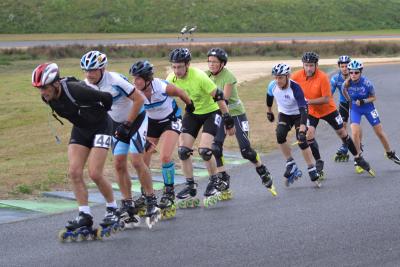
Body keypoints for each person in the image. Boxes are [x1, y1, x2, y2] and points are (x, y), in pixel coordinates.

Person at [32, 62, 120, 239]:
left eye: (45, 88)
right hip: (81, 130)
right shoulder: (47, 98)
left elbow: (107, 98)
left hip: (102, 127)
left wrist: (106, 117)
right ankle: (84, 215)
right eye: (39, 89)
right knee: (74, 172)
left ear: (56, 83)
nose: (43, 93)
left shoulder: (76, 90)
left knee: (95, 173)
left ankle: (113, 209)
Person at [80, 51, 160, 229]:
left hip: (136, 119)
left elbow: (139, 99)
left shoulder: (115, 81)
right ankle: (128, 204)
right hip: (116, 124)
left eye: (92, 70)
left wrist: (128, 124)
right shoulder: (87, 85)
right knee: (118, 164)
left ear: (102, 69)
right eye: (86, 70)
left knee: (137, 161)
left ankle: (151, 199)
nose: (89, 74)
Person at [166, 47, 235, 208]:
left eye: (180, 67)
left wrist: (227, 118)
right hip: (193, 113)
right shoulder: (171, 78)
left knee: (204, 150)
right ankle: (190, 185)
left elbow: (218, 96)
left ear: (187, 64)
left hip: (212, 112)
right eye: (174, 67)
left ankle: (215, 180)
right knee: (183, 151)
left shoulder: (199, 76)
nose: (176, 70)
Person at [205, 47, 276, 196]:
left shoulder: (228, 77)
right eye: (209, 62)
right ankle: (224, 178)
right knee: (215, 147)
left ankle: (262, 170)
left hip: (236, 114)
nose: (211, 65)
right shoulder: (206, 76)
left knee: (246, 151)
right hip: (219, 114)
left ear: (222, 64)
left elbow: (223, 98)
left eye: (215, 62)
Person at [291, 51, 374, 177]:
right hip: (312, 111)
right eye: (306, 65)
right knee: (309, 135)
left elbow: (326, 98)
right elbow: (288, 88)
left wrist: (307, 101)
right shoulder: (296, 76)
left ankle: (358, 157)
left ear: (316, 65)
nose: (308, 68)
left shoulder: (322, 77)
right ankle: (319, 162)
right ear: (303, 64)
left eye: (311, 65)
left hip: (328, 110)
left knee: (342, 133)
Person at [129, 59, 193, 218]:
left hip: (171, 121)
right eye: (133, 78)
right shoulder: (135, 92)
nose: (134, 82)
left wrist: (190, 106)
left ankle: (169, 193)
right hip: (151, 123)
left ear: (147, 79)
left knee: (165, 156)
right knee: (143, 160)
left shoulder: (162, 87)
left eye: (138, 78)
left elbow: (180, 92)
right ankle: (146, 195)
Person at [266, 63, 321, 187]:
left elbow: (303, 109)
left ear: (287, 76)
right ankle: (290, 162)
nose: (277, 80)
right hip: (284, 114)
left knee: (301, 139)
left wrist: (302, 127)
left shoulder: (295, 88)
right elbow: (269, 97)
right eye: (275, 77)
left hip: (299, 114)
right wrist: (269, 111)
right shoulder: (272, 85)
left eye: (280, 77)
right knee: (279, 135)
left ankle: (311, 167)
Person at [342, 59, 400, 168]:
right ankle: (358, 157)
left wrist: (364, 101)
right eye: (351, 72)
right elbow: (344, 93)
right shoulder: (346, 84)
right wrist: (350, 101)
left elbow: (374, 97)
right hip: (355, 108)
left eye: (356, 72)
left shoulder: (367, 83)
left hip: (368, 107)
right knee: (354, 132)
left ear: (361, 72)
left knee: (379, 132)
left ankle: (389, 153)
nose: (353, 75)